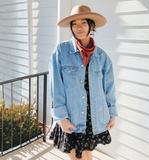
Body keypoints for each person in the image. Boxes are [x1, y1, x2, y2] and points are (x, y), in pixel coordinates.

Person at [48, 4, 118, 160]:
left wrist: (112, 113)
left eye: (83, 23)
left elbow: (109, 88)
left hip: (94, 116)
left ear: (91, 25)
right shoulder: (61, 51)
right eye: (74, 24)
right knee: (77, 157)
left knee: (88, 153)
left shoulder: (102, 56)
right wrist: (62, 117)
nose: (78, 27)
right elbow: (56, 87)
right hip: (72, 115)